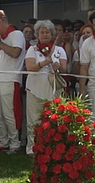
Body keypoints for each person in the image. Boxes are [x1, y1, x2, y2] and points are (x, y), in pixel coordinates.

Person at [24, 20, 68, 154]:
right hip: (34, 89)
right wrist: (43, 63)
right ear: (37, 34)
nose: (44, 35)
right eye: (42, 32)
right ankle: (33, 148)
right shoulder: (33, 49)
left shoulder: (59, 50)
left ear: (52, 34)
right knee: (34, 119)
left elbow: (65, 69)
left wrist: (57, 66)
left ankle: (52, 147)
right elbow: (30, 67)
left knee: (53, 119)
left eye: (47, 32)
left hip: (53, 89)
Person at [0, 10, 25, 153]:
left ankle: (14, 143)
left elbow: (15, 53)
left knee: (9, 113)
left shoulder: (16, 34)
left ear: (0, 21)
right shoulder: (1, 38)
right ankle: (3, 141)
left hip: (9, 78)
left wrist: (0, 43)